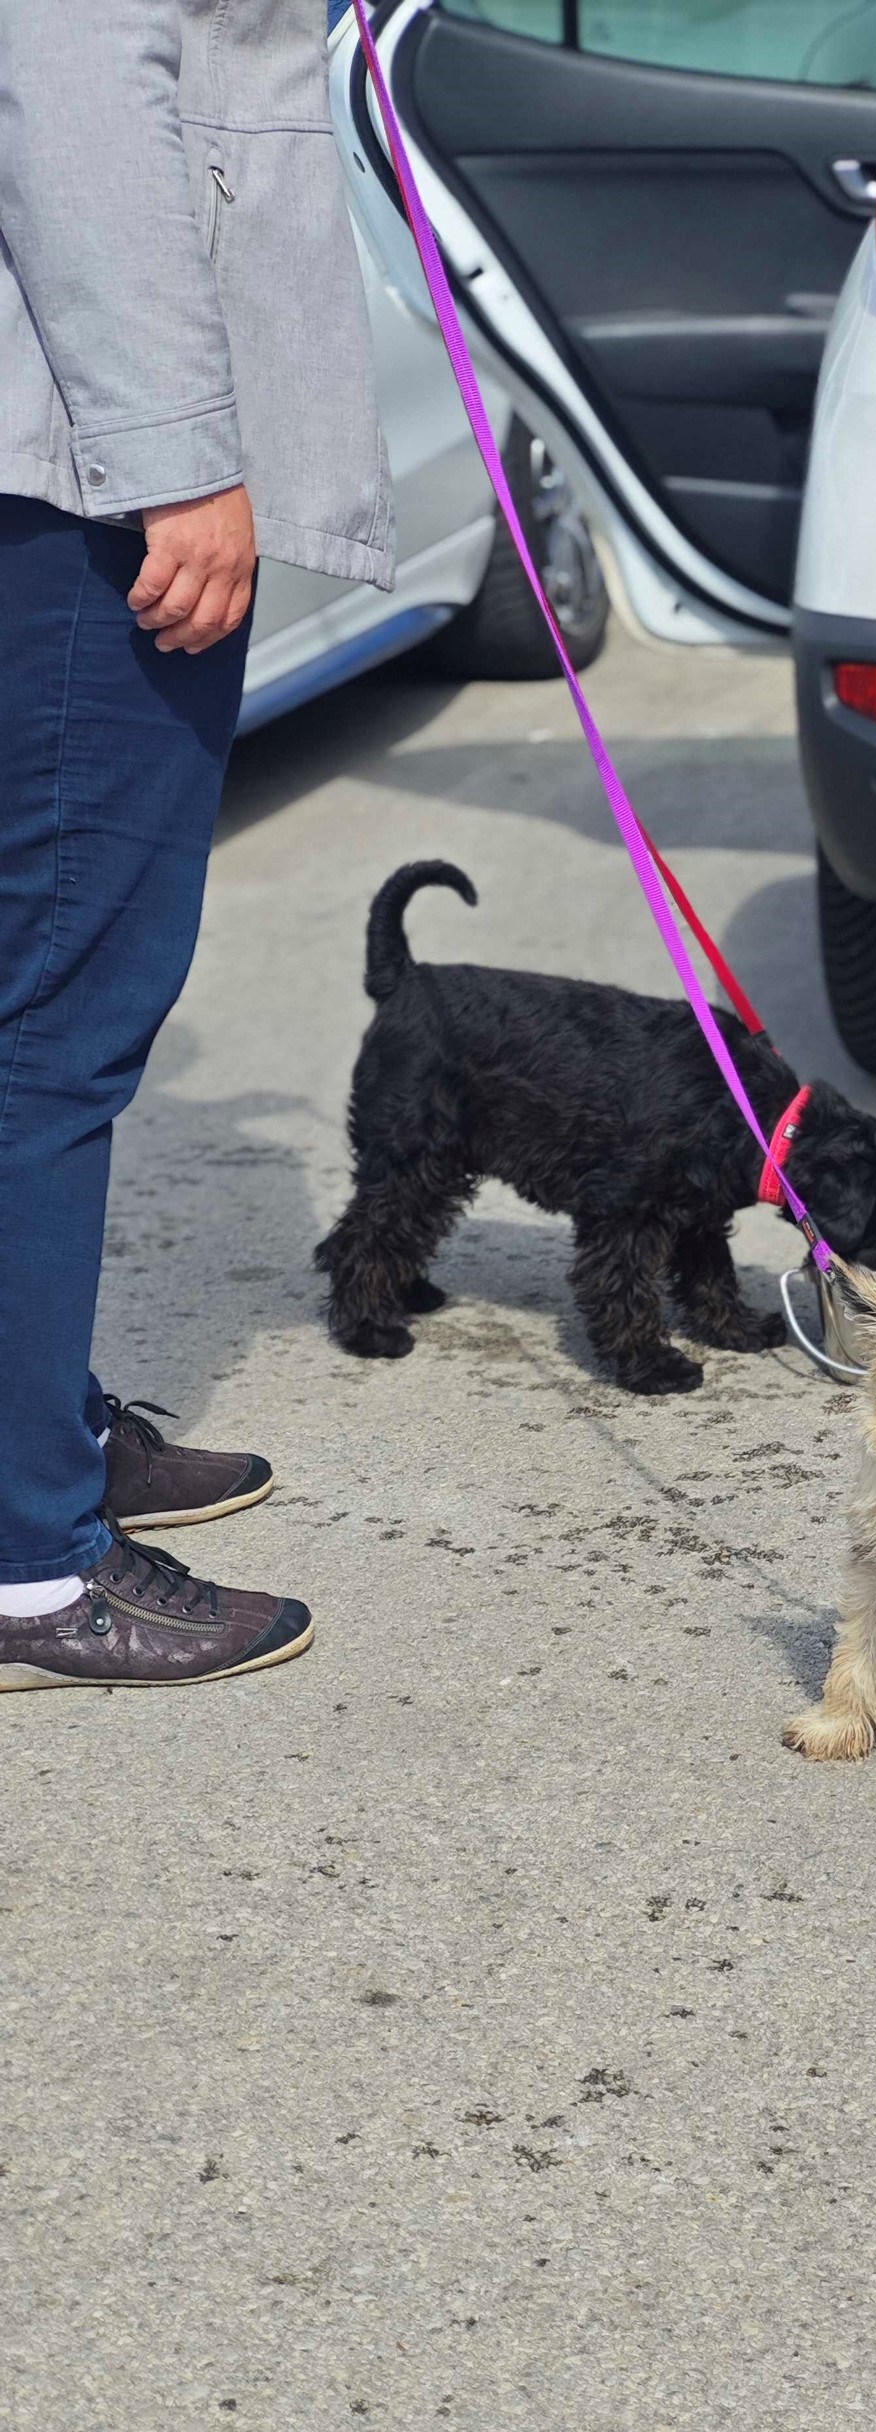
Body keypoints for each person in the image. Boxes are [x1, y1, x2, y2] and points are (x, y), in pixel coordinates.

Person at [0, 0, 390, 1688]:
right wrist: (179, 458)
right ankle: (27, 1553)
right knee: (62, 1025)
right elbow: (72, 95)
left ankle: (39, 1440)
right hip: (85, 485)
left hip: (58, 460)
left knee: (38, 1005)